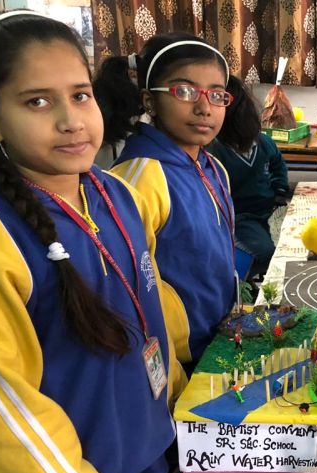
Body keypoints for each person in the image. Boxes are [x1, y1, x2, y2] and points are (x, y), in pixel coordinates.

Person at [0, 10, 185, 473]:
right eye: (37, 102)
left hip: (151, 464)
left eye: (80, 95)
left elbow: (153, 308)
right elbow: (2, 407)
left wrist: (181, 410)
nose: (72, 120)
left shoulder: (116, 195)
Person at [94, 32, 236, 371]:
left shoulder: (214, 168)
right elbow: (125, 294)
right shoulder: (137, 179)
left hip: (217, 339)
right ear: (150, 101)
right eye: (184, 91)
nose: (204, 108)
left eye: (216, 94)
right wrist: (168, 372)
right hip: (176, 360)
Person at [209, 75, 290, 280]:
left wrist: (279, 189)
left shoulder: (263, 143)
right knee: (266, 253)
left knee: (273, 246)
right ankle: (238, 281)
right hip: (239, 217)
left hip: (262, 212)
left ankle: (243, 277)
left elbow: (278, 165)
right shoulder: (215, 151)